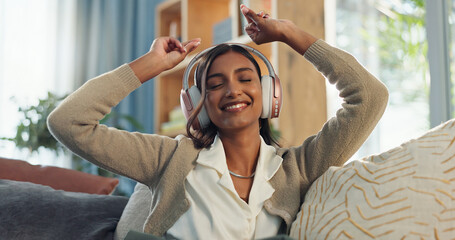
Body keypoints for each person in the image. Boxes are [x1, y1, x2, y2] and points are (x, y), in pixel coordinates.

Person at [47, 4, 388, 239]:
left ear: (270, 93)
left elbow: (369, 97)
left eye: (245, 78)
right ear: (198, 104)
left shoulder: (297, 168)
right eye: (214, 84)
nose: (232, 90)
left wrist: (288, 33)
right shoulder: (169, 158)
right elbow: (68, 122)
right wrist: (150, 65)